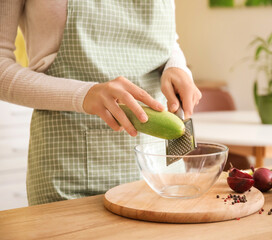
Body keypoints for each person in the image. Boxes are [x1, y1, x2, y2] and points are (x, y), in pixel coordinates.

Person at [0, 0, 201, 205]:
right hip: (71, 171)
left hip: (163, 166)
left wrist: (177, 66)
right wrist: (85, 94)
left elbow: (168, 40)